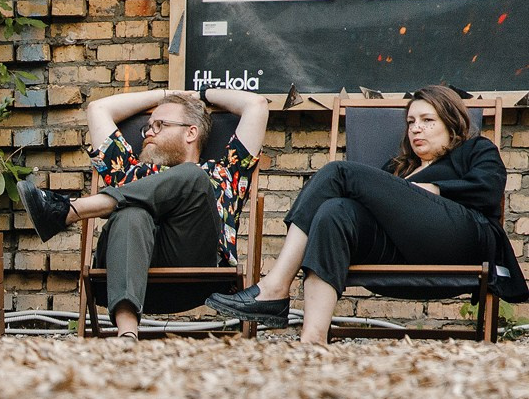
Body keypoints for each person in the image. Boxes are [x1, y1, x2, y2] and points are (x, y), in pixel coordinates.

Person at [209, 85, 527, 343]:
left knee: (338, 173)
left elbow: (488, 190)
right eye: (411, 122)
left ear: (451, 121)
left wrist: (435, 189)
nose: (416, 129)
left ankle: (275, 287)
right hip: (401, 254)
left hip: (460, 241)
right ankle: (313, 339)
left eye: (427, 120)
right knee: (335, 211)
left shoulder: (475, 149)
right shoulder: (399, 168)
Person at [17, 86, 266, 339]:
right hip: (129, 266)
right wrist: (165, 94)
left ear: (191, 132)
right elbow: (98, 109)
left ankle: (72, 209)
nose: (148, 132)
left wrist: (200, 95)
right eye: (147, 126)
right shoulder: (127, 169)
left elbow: (256, 105)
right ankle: (127, 336)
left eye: (159, 125)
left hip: (197, 270)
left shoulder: (225, 172)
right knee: (131, 212)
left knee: (192, 176)